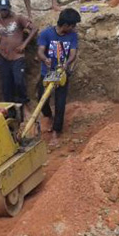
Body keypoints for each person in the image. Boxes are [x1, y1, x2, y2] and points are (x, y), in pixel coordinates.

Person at [36, 8, 81, 142]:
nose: (74, 28)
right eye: (73, 25)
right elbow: (40, 51)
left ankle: (56, 131)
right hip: (48, 73)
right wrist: (45, 59)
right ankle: (49, 116)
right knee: (41, 98)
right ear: (66, 25)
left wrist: (66, 64)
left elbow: (73, 53)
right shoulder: (46, 34)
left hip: (62, 73)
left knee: (60, 102)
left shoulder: (72, 36)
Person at [0, 0, 38, 106]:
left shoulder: (18, 18)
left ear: (9, 8)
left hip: (17, 56)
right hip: (4, 56)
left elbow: (34, 29)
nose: (3, 12)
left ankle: (24, 102)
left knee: (19, 81)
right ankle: (10, 108)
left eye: (5, 9)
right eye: (1, 10)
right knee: (6, 84)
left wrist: (24, 44)